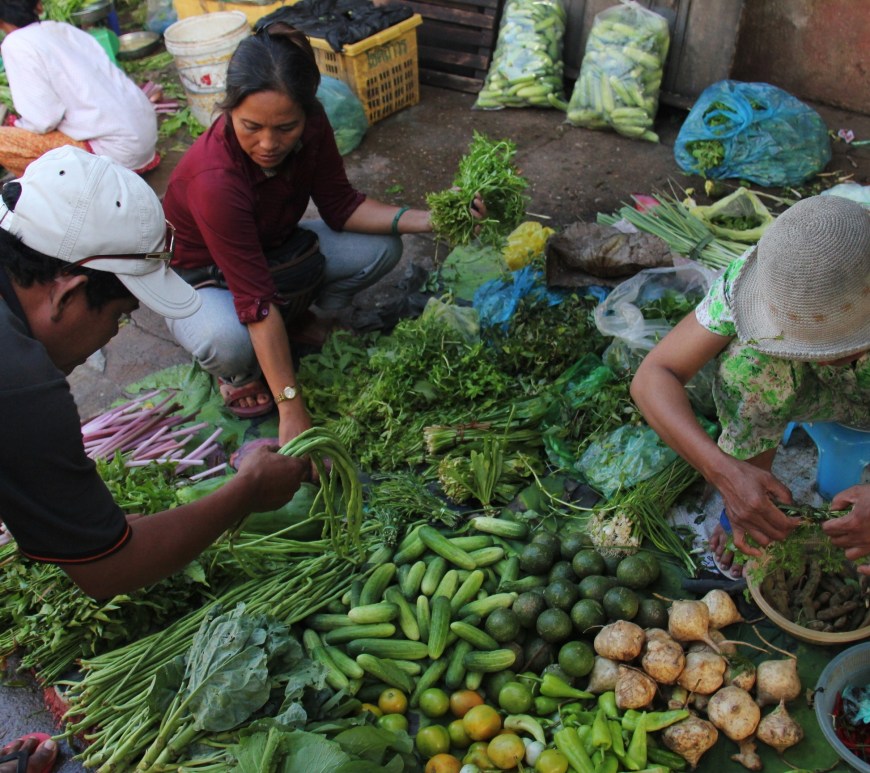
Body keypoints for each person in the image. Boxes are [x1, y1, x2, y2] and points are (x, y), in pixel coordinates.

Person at [162, 23, 484, 445]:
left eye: (285, 128)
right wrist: (291, 405)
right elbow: (255, 301)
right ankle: (239, 376)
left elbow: (341, 205)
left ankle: (302, 321)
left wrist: (431, 219)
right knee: (229, 343)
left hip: (271, 251)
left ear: (306, 112)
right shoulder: (215, 180)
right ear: (228, 110)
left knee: (382, 247)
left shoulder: (314, 125)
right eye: (251, 126)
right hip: (200, 280)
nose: (268, 144)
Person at [630, 194, 870, 577]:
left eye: (834, 344)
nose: (820, 357)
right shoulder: (766, 278)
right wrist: (723, 472)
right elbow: (654, 376)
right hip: (824, 392)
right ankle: (755, 503)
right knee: (750, 362)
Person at [0, 0, 159, 179]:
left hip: (116, 154)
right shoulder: (63, 29)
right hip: (144, 140)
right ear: (39, 6)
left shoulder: (15, 44)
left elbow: (44, 120)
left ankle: (63, 189)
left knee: (4, 141)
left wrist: (17, 125)